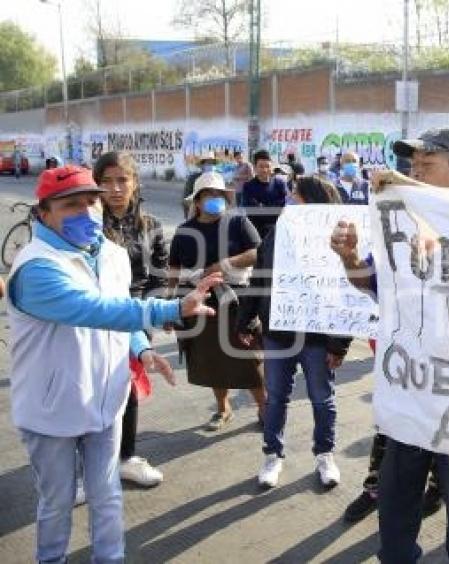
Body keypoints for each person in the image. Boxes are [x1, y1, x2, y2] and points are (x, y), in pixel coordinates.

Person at [7, 164, 220, 563]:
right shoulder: (36, 268)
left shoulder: (112, 254)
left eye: (92, 201)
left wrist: (141, 349)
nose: (86, 211)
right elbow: (94, 309)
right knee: (58, 502)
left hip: (107, 399)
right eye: (71, 204)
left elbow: (121, 315)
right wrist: (172, 307)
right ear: (44, 213)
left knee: (107, 494)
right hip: (52, 409)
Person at [331, 127, 449, 563]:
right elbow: (375, 283)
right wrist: (350, 259)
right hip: (409, 395)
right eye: (413, 163)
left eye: (429, 162)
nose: (415, 169)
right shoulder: (402, 224)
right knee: (397, 502)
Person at [237, 176, 351, 489]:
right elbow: (259, 278)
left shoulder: (339, 239)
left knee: (322, 399)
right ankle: (272, 455)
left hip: (318, 337)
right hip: (278, 333)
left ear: (311, 200)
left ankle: (325, 455)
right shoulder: (278, 232)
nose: (289, 201)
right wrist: (245, 319)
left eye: (294, 195)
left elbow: (346, 292)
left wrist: (339, 344)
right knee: (275, 399)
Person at [168, 171, 266, 431]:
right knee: (211, 359)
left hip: (237, 302)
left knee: (250, 358)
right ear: (196, 202)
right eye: (208, 195)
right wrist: (169, 305)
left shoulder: (238, 222)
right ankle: (223, 409)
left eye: (219, 194)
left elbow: (258, 252)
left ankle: (264, 409)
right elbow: (174, 268)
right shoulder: (185, 231)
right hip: (200, 303)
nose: (215, 198)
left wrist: (225, 264)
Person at [95, 151, 170, 488]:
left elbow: (159, 276)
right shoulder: (89, 222)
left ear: (134, 182)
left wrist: (152, 312)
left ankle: (126, 457)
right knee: (94, 385)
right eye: (106, 181)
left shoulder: (151, 225)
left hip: (138, 313)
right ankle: (89, 465)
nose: (114, 188)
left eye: (121, 180)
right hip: (99, 313)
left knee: (129, 387)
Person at [241, 150, 288, 239]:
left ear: (272, 167)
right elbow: (252, 211)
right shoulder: (248, 186)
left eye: (267, 166)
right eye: (261, 166)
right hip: (255, 232)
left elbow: (283, 208)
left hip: (277, 231)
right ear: (255, 167)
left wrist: (263, 207)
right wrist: (272, 209)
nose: (265, 170)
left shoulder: (280, 184)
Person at [182, 151, 218, 218]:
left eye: (212, 163)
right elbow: (186, 198)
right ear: (202, 165)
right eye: (208, 163)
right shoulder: (193, 179)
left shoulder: (218, 178)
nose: (211, 165)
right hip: (197, 214)